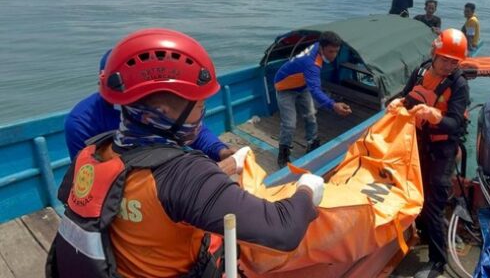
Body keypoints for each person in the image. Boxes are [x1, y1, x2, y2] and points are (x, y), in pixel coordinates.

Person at [47, 28, 324, 278]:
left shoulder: (94, 152)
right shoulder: (183, 176)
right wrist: (306, 189)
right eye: (200, 104)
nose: (202, 115)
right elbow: (284, 229)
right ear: (166, 113)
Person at [64, 50, 237, 174]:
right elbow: (87, 175)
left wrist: (219, 150)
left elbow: (190, 129)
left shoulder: (155, 104)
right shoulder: (81, 121)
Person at [388, 28, 470, 278]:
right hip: (417, 144)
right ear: (434, 53)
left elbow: (456, 124)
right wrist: (395, 101)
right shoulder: (422, 70)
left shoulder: (458, 85)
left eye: (453, 62)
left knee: (433, 204)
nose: (448, 66)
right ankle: (423, 233)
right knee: (414, 193)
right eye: (444, 59)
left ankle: (438, 262)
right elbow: (406, 95)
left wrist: (436, 116)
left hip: (442, 150)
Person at [274, 31, 352, 168]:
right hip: (284, 87)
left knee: (310, 114)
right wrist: (333, 105)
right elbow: (315, 90)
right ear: (322, 48)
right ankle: (283, 153)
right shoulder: (311, 64)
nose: (333, 56)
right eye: (330, 51)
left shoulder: (318, 45)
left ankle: (312, 141)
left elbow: (313, 86)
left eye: (336, 51)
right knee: (289, 123)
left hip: (301, 84)